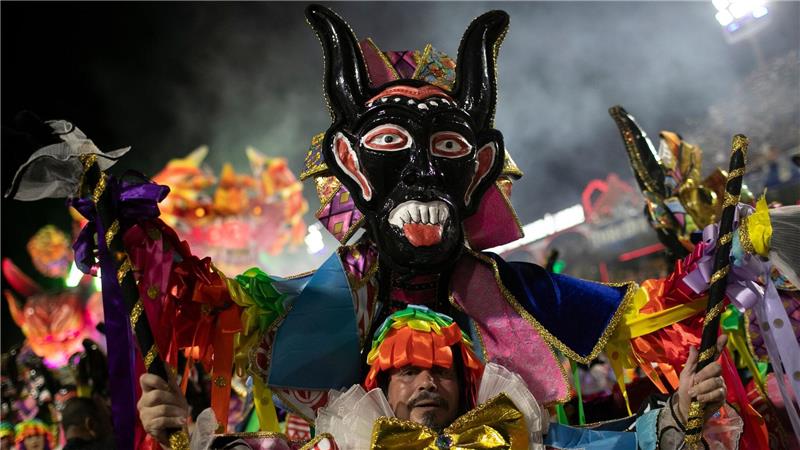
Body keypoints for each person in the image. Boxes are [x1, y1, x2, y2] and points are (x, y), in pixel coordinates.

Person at [139, 306, 739, 449]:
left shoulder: (520, 438)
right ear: (380, 387)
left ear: (467, 383)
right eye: (405, 371)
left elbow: (621, 445)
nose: (425, 382)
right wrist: (176, 437)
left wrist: (679, 416)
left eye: (439, 369)